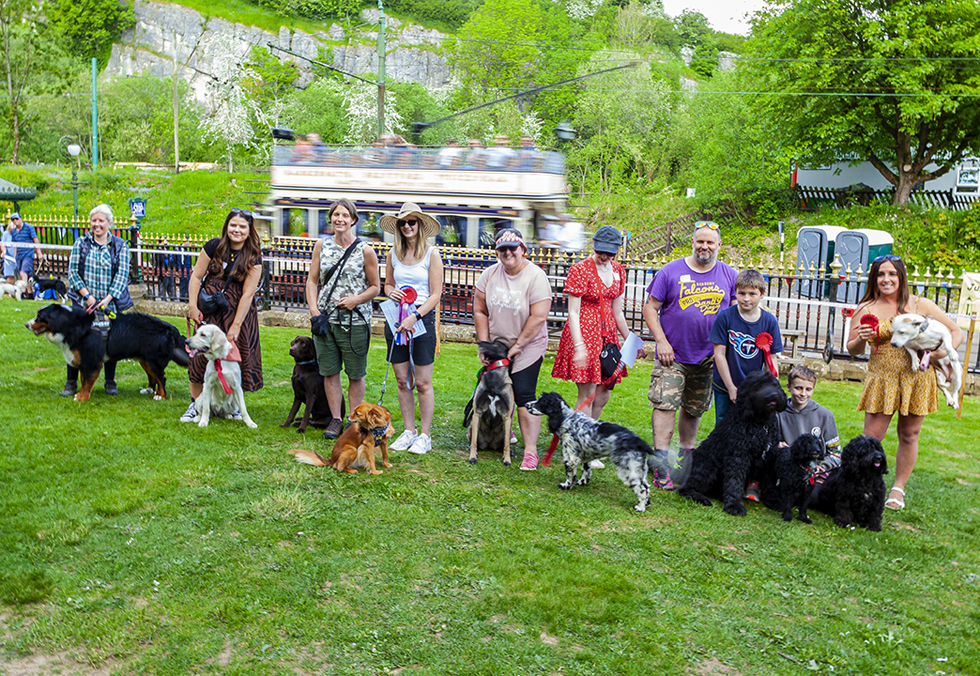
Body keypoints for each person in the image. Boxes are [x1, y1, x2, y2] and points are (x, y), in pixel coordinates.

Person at [846, 254, 963, 510]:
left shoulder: (921, 305)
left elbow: (956, 332)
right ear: (874, 279)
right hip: (882, 379)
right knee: (871, 439)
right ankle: (863, 486)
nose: (886, 279)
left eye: (892, 274)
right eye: (880, 274)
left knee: (909, 434)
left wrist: (938, 353)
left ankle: (898, 490)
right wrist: (862, 339)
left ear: (901, 277)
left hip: (917, 380)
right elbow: (851, 348)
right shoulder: (867, 308)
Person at [643, 221, 737, 489]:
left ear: (719, 245)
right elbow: (650, 308)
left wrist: (722, 350)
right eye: (700, 241)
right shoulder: (670, 271)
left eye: (710, 242)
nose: (704, 246)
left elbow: (734, 315)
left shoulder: (729, 275)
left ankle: (686, 457)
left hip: (707, 359)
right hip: (671, 356)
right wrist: (661, 341)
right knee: (665, 403)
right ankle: (662, 463)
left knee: (694, 408)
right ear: (692, 243)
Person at [474, 228, 552, 470]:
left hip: (528, 343)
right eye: (502, 249)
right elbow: (480, 310)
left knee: (524, 392)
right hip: (498, 344)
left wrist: (518, 346)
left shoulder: (536, 276)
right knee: (492, 387)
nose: (507, 252)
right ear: (497, 252)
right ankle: (504, 428)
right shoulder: (489, 275)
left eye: (512, 248)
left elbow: (539, 317)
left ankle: (530, 451)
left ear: (523, 250)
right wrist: (485, 345)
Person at [305, 198, 380, 439]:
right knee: (330, 371)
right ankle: (336, 419)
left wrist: (355, 300)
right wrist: (314, 310)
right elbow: (311, 280)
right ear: (330, 218)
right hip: (326, 321)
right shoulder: (321, 246)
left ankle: (355, 422)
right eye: (336, 215)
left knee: (355, 374)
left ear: (353, 220)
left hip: (355, 322)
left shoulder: (365, 250)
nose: (340, 219)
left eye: (345, 215)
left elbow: (375, 287)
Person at [182, 209, 264, 422]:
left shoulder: (254, 256)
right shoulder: (213, 246)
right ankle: (195, 403)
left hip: (237, 310)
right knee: (199, 354)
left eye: (242, 227)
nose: (237, 230)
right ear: (227, 226)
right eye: (233, 225)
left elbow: (248, 293)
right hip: (210, 309)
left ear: (249, 230)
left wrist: (237, 324)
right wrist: (192, 305)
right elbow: (197, 276)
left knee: (239, 355)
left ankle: (234, 404)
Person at [709, 268, 783, 502]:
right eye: (741, 293)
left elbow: (774, 359)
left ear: (762, 294)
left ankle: (751, 482)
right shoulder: (726, 317)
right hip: (725, 385)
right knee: (725, 431)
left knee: (755, 436)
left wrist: (771, 387)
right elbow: (719, 354)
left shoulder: (769, 321)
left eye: (752, 293)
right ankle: (722, 480)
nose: (746, 299)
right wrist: (731, 386)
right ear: (736, 293)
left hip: (755, 394)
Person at [552, 225, 637, 420]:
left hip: (608, 337)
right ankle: (579, 441)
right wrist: (579, 347)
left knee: (603, 393)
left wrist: (630, 340)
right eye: (600, 251)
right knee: (588, 394)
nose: (604, 256)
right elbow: (573, 312)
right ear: (593, 245)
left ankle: (588, 434)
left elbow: (618, 311)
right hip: (585, 334)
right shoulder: (580, 270)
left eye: (610, 252)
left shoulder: (619, 271)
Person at [380, 203, 445, 455]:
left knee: (422, 383)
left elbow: (436, 293)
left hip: (421, 320)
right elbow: (387, 285)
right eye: (402, 223)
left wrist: (415, 315)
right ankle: (409, 431)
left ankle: (425, 435)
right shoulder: (392, 253)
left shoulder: (432, 254)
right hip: (396, 320)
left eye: (412, 222)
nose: (407, 226)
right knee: (401, 379)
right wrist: (391, 292)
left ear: (420, 226)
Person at [64, 204, 134, 397]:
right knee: (77, 341)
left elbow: (122, 276)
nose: (97, 224)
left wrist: (107, 299)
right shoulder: (81, 243)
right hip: (83, 302)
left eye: (101, 221)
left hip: (109, 302)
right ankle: (71, 382)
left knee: (110, 342)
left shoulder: (120, 245)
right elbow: (73, 273)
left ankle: (110, 382)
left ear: (109, 223)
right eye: (94, 220)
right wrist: (88, 297)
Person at [776, 365, 842, 471]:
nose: (803, 393)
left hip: (817, 471)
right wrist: (777, 446)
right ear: (788, 387)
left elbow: (837, 454)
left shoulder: (825, 416)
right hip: (787, 469)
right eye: (798, 388)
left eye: (808, 389)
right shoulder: (778, 413)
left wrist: (822, 467)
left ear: (813, 389)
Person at [11, 212, 44, 286]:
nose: (15, 221)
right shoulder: (13, 231)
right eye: (13, 220)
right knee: (22, 275)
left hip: (28, 254)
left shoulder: (29, 227)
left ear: (20, 219)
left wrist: (39, 252)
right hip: (19, 255)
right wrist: (14, 255)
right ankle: (28, 292)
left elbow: (35, 240)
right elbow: (14, 245)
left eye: (16, 219)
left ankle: (22, 291)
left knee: (23, 272)